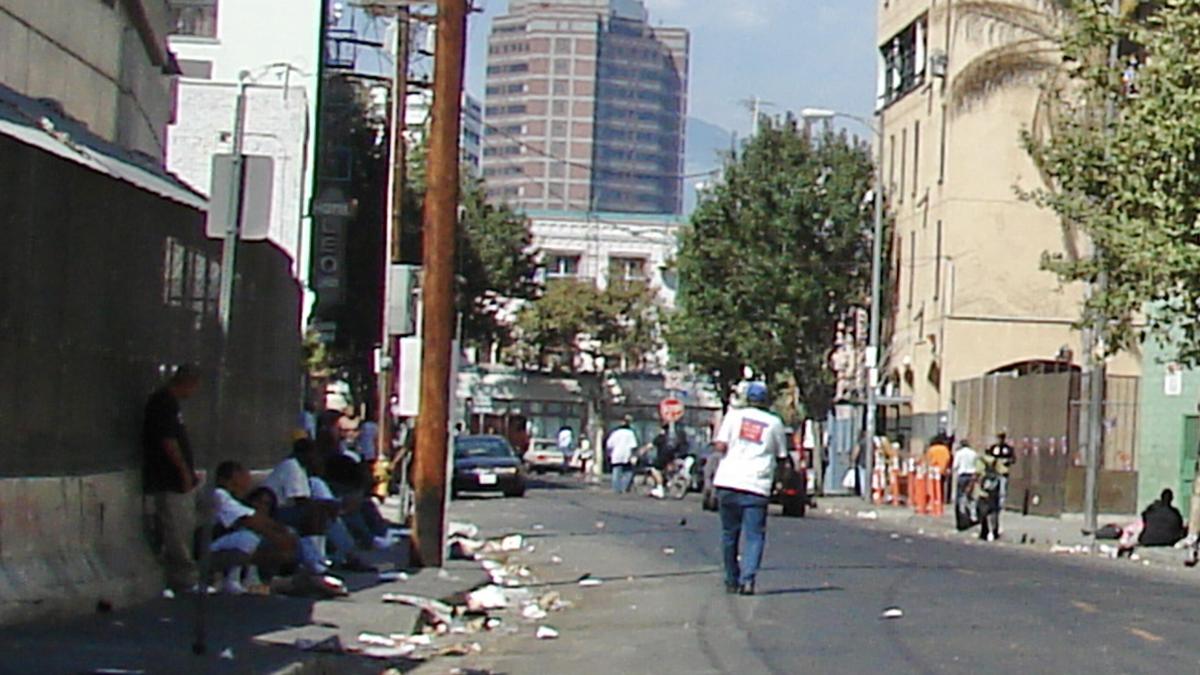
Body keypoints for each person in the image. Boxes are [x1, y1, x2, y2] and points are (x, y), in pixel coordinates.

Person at [712, 382, 787, 596]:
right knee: (754, 536)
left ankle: (731, 578)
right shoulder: (774, 423)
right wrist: (779, 481)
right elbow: (781, 455)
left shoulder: (733, 416)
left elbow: (720, 445)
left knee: (729, 534)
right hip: (757, 485)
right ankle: (748, 579)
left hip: (728, 481)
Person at [143, 364, 202, 592]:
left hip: (174, 477)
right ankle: (183, 579)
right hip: (168, 478)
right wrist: (184, 472)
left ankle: (181, 576)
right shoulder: (163, 403)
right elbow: (168, 441)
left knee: (181, 527)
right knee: (176, 528)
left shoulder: (170, 403)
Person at [210, 461, 299, 594]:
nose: (248, 479)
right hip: (210, 548)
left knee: (272, 538)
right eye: (243, 474)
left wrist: (284, 532)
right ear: (234, 477)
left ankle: (250, 578)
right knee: (248, 538)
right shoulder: (219, 494)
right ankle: (229, 579)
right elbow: (248, 520)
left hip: (223, 543)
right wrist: (277, 537)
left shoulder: (233, 499)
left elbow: (258, 519)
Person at [261, 437, 341, 574]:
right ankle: (314, 561)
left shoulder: (301, 468)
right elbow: (300, 500)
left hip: (285, 509)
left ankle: (321, 559)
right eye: (314, 454)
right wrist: (324, 505)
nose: (316, 458)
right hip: (273, 511)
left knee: (320, 511)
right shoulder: (291, 466)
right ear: (305, 453)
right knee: (314, 512)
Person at [649, 423, 689, 499]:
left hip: (662, 457)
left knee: (654, 470)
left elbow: (650, 446)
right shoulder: (674, 437)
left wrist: (640, 452)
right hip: (673, 457)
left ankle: (660, 488)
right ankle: (668, 483)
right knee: (667, 472)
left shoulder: (661, 437)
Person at [974, 452, 1007, 541]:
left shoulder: (980, 460)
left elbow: (976, 474)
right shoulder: (997, 461)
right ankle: (994, 531)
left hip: (982, 492)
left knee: (982, 512)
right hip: (994, 492)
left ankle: (984, 531)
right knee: (994, 512)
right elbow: (1004, 472)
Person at [606, 416, 639, 494]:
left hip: (616, 454)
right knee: (628, 472)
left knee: (616, 471)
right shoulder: (630, 433)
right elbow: (633, 445)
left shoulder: (615, 433)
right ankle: (624, 487)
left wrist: (609, 454)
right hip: (626, 454)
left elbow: (609, 444)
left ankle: (616, 488)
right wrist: (633, 455)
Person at [952, 439, 979, 531]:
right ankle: (972, 515)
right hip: (971, 476)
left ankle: (962, 517)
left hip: (962, 475)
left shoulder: (959, 453)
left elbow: (955, 466)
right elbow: (977, 466)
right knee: (970, 497)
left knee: (960, 497)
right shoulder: (974, 453)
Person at [987, 432, 1016, 509]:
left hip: (1003, 472)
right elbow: (988, 457)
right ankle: (991, 503)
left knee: (1002, 490)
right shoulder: (993, 447)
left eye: (1001, 439)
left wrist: (1007, 461)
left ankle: (1001, 505)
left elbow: (1013, 459)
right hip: (994, 472)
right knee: (991, 487)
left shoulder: (1008, 448)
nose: (1000, 440)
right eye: (998, 439)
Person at [924, 433, 953, 505]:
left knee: (933, 485)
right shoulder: (945, 449)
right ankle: (942, 498)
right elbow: (948, 458)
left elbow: (928, 459)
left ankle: (934, 499)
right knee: (942, 485)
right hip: (943, 469)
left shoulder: (931, 449)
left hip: (933, 469)